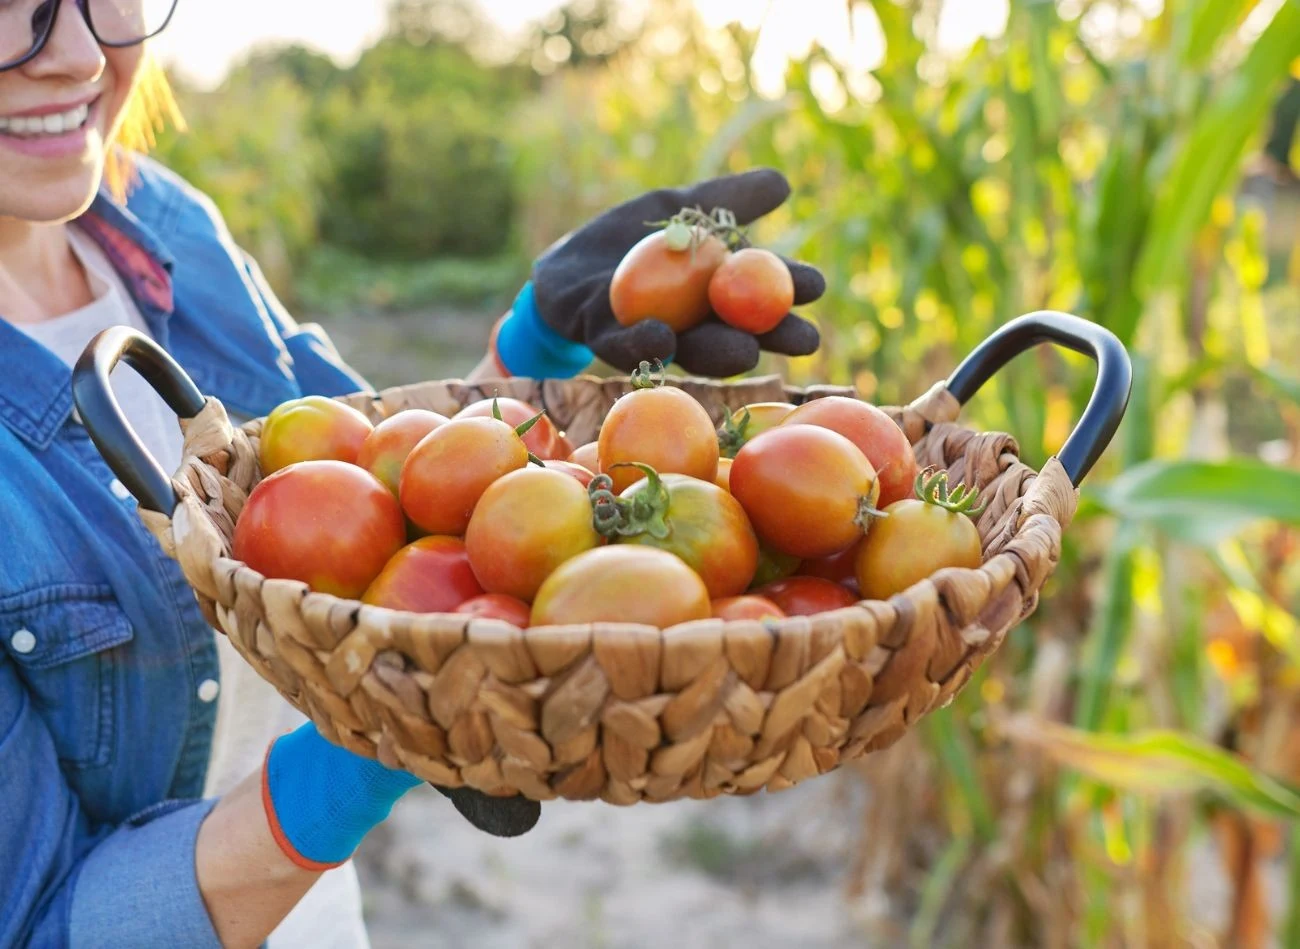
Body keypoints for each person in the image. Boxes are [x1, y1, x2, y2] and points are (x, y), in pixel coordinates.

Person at [0, 2, 826, 947]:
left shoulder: (166, 224)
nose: (78, 54)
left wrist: (534, 347)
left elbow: (386, 496)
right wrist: (353, 762)